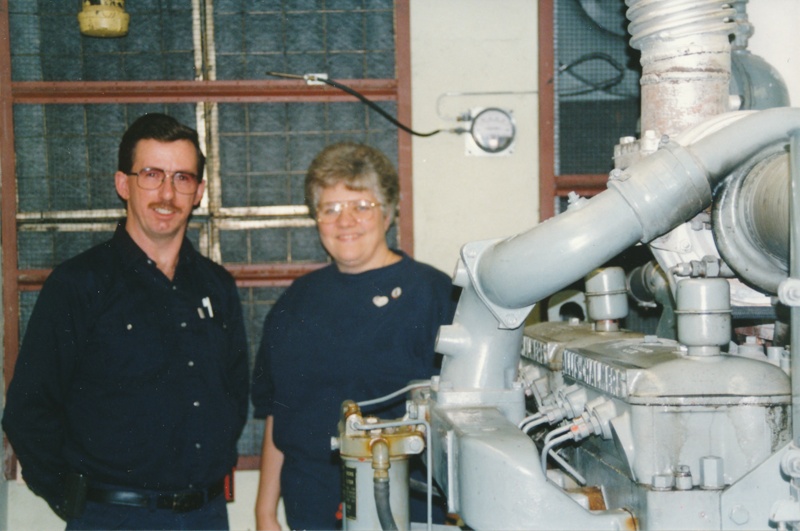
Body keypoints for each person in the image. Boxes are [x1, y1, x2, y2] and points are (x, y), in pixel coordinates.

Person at [2, 113, 249, 530]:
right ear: (123, 184)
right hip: (111, 516)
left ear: (200, 191)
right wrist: (75, 502)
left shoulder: (217, 286)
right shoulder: (78, 285)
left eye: (182, 178)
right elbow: (29, 411)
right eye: (152, 175)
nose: (167, 193)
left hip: (205, 516)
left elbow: (234, 397)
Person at [252, 141, 458, 530]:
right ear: (316, 219)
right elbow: (277, 415)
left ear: (389, 213)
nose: (345, 221)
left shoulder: (431, 294)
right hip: (311, 505)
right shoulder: (295, 302)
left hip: (404, 504)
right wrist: (265, 513)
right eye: (330, 209)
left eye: (361, 206)